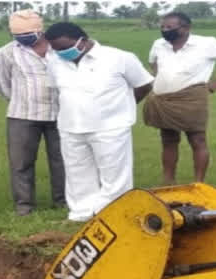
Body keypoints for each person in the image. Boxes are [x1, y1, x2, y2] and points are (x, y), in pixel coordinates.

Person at [44, 22, 153, 222]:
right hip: (70, 127)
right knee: (77, 174)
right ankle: (81, 215)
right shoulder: (54, 61)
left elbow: (144, 84)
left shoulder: (119, 58)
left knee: (114, 176)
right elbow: (57, 90)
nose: (60, 53)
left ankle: (113, 216)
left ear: (82, 41)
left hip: (110, 127)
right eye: (56, 49)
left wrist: (123, 106)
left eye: (64, 48)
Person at [143, 12, 216, 185]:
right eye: (162, 27)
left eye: (169, 27)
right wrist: (160, 78)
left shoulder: (207, 44)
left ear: (185, 28)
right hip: (163, 100)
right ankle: (168, 181)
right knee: (168, 140)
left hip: (192, 99)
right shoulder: (159, 44)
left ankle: (198, 183)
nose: (164, 30)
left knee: (197, 140)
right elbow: (152, 61)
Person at [0, 9, 65, 216]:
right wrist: (21, 99)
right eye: (19, 36)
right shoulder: (5, 53)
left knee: (63, 160)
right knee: (21, 163)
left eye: (28, 35)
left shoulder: (58, 48)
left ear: (40, 30)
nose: (24, 39)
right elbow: (3, 85)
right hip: (22, 115)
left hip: (61, 113)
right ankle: (24, 206)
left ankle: (63, 202)